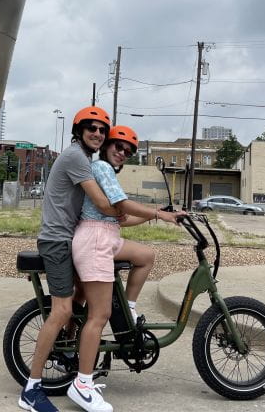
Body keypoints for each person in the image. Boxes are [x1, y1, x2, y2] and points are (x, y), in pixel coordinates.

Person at [68, 125, 183, 412]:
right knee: (100, 315)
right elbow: (122, 204)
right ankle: (82, 385)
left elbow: (120, 218)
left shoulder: (104, 171)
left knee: (145, 255)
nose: (123, 153)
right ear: (107, 145)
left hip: (106, 235)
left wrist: (151, 219)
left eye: (129, 151)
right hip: (95, 239)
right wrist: (160, 213)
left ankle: (129, 305)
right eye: (119, 147)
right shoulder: (103, 168)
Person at [19, 106, 118, 412]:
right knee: (61, 310)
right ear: (79, 131)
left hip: (68, 238)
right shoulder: (76, 156)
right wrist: (131, 212)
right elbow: (102, 203)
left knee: (85, 295)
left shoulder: (86, 159)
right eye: (91, 128)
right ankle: (32, 389)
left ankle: (69, 351)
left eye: (102, 130)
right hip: (57, 241)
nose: (98, 133)